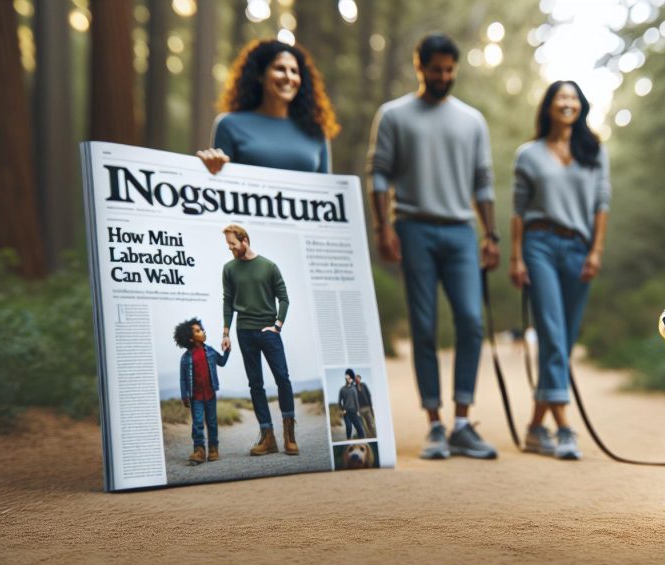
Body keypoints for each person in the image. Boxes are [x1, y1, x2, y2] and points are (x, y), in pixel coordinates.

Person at [367, 33, 500, 460]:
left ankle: (462, 421)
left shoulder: (471, 120)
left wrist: (491, 234)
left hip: (461, 231)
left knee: (470, 321)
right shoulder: (394, 115)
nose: (443, 76)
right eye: (435, 69)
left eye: (449, 70)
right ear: (419, 66)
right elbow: (380, 174)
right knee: (423, 327)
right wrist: (382, 228)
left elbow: (482, 180)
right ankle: (434, 425)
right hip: (413, 228)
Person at [508, 81, 611, 461]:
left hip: (579, 249)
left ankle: (536, 428)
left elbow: (602, 203)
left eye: (573, 98)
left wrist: (596, 251)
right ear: (549, 106)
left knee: (562, 343)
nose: (567, 103)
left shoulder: (594, 151)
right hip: (540, 245)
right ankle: (565, 428)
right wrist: (516, 257)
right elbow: (517, 210)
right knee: (551, 335)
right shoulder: (529, 154)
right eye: (560, 98)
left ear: (580, 106)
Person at [197, 39, 340, 175]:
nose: (288, 77)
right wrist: (209, 167)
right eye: (280, 69)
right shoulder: (229, 125)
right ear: (260, 75)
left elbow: (326, 190)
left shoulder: (316, 132)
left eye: (294, 71)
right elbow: (218, 184)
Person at [221, 224, 296, 456]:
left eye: (233, 244)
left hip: (268, 333)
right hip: (244, 332)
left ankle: (289, 435)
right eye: (228, 245)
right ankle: (268, 437)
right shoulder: (229, 269)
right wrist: (226, 333)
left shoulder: (269, 267)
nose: (231, 249)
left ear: (244, 241)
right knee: (255, 385)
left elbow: (284, 299)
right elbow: (227, 301)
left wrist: (277, 326)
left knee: (283, 378)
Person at [173, 318, 230, 465]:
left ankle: (213, 448)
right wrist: (184, 395)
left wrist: (227, 350)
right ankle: (199, 450)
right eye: (198, 331)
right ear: (190, 338)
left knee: (212, 422)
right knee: (197, 423)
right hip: (195, 397)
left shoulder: (210, 351)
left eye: (201, 329)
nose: (202, 332)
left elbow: (222, 362)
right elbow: (183, 379)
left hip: (210, 394)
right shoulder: (185, 358)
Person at [337, 369, 365, 440]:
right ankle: (348, 442)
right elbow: (339, 402)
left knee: (360, 430)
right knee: (349, 428)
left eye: (350, 378)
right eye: (347, 377)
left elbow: (357, 401)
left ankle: (361, 442)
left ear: (352, 379)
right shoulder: (342, 389)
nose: (348, 379)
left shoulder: (354, 388)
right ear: (346, 378)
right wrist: (343, 409)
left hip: (355, 412)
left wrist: (358, 411)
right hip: (347, 413)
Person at [355, 373, 376, 438]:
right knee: (362, 427)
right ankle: (366, 438)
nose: (357, 379)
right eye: (355, 378)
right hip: (359, 409)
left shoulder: (364, 385)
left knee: (371, 424)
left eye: (358, 378)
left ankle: (374, 437)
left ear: (360, 378)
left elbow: (369, 395)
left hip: (367, 408)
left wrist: (371, 406)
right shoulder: (353, 387)